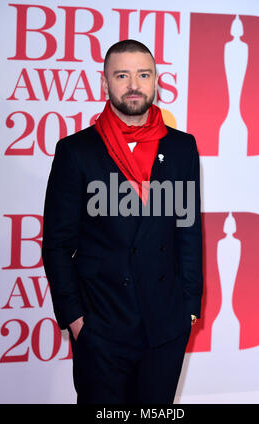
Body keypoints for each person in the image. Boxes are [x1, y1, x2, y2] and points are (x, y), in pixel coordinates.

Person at [42, 39, 203, 404]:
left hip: (165, 325)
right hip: (102, 324)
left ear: (155, 80)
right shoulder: (76, 151)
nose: (134, 84)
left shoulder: (181, 147)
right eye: (122, 75)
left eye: (143, 74)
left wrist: (189, 307)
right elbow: (56, 243)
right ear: (105, 84)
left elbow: (188, 229)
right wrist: (76, 319)